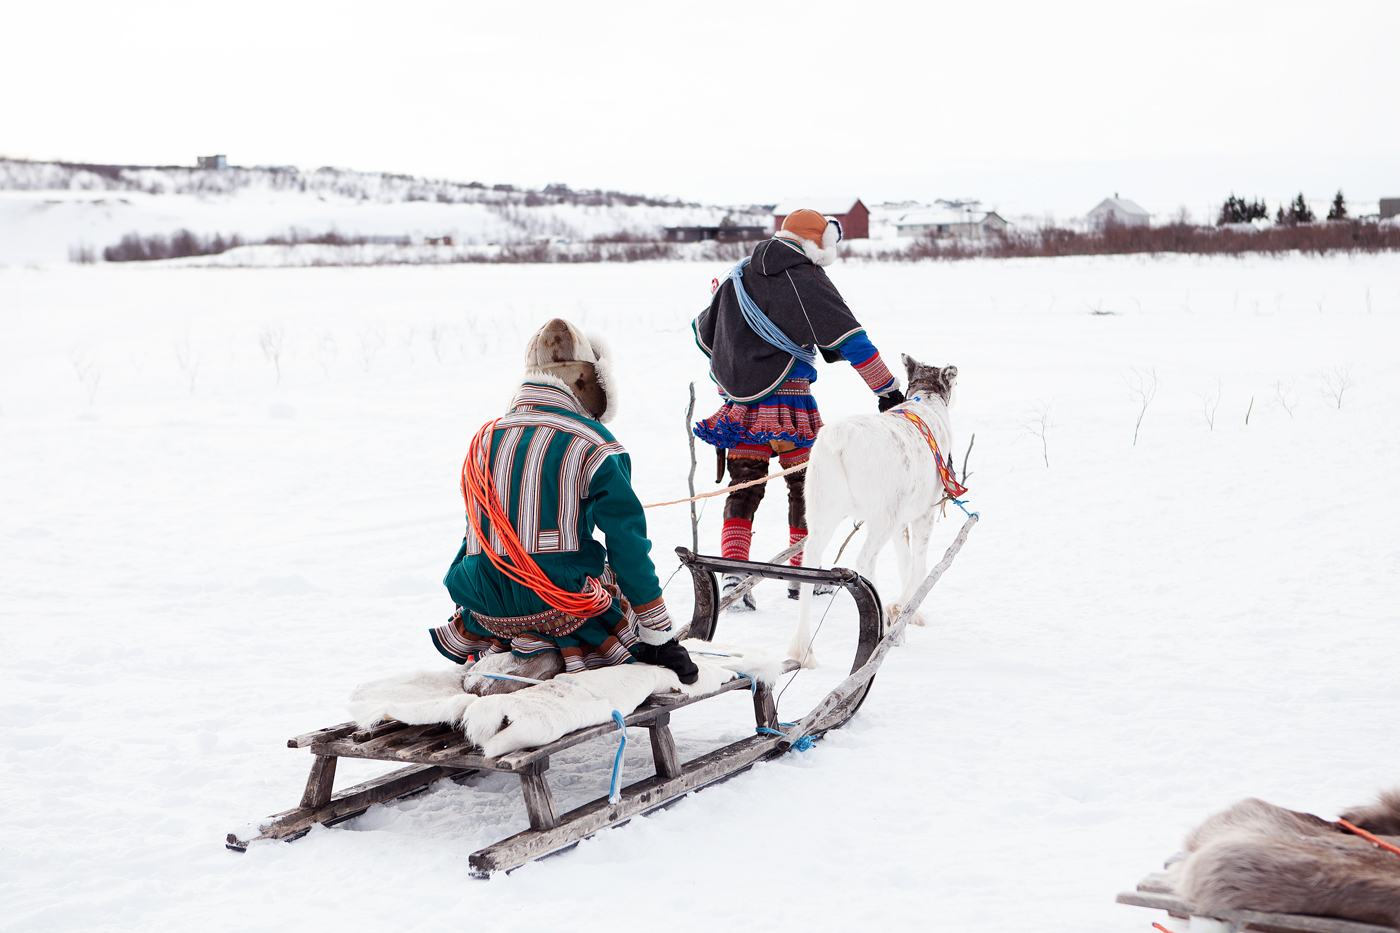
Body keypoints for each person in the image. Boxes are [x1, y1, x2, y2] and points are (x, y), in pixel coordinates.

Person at [431, 318, 698, 684]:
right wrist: (659, 636)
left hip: (484, 606)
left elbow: (474, 532)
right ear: (587, 383)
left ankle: (507, 649)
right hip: (559, 604)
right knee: (608, 581)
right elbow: (627, 546)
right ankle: (569, 652)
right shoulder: (595, 444)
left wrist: (479, 595)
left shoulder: (483, 441)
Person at [693, 209, 905, 609]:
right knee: (806, 489)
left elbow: (703, 332)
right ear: (818, 244)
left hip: (742, 410)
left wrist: (737, 372)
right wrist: (888, 391)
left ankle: (733, 577)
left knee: (744, 488)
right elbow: (852, 341)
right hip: (792, 404)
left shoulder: (737, 275)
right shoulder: (805, 277)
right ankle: (801, 576)